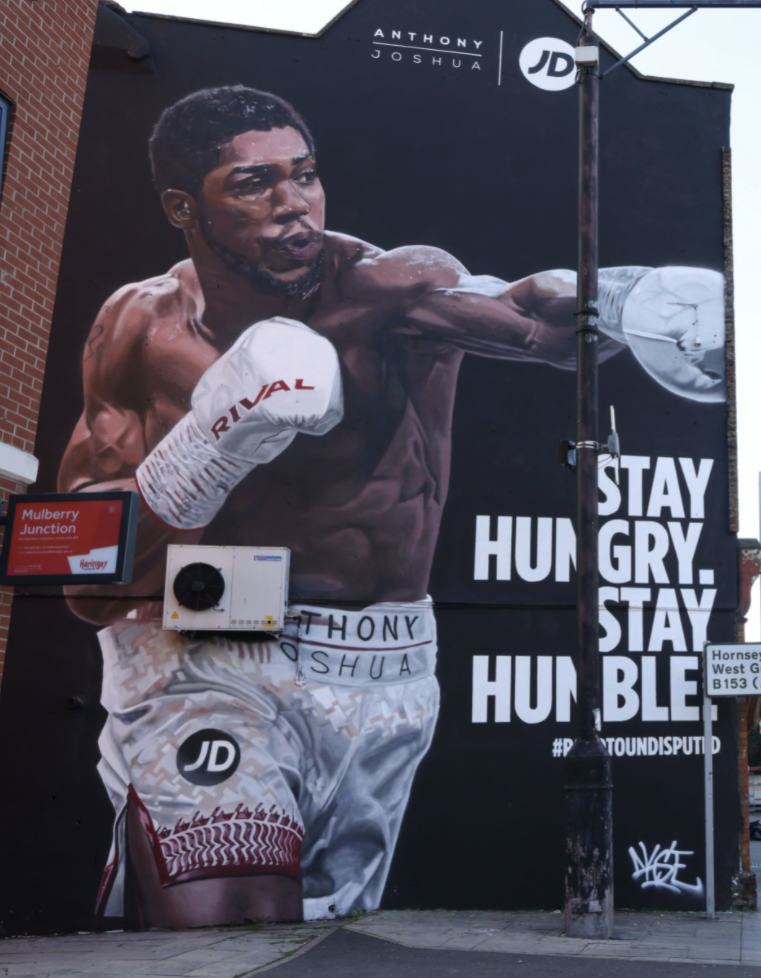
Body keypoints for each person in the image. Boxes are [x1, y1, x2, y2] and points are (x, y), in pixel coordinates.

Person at [62, 85, 725, 930]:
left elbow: (538, 324)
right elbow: (85, 576)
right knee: (230, 918)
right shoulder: (139, 329)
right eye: (254, 184)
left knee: (328, 928)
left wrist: (631, 301)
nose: (293, 205)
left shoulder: (391, 288)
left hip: (389, 675)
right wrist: (214, 439)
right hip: (205, 650)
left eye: (305, 176)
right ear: (182, 206)